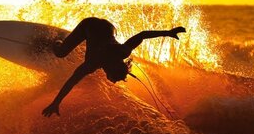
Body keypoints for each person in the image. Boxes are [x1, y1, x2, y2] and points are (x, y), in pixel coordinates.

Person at [42, 17, 186, 117]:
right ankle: (55, 42)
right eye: (108, 74)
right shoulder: (92, 63)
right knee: (61, 53)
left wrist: (168, 32)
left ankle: (76, 41)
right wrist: (56, 103)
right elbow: (71, 81)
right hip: (89, 24)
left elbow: (143, 35)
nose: (104, 74)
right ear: (110, 67)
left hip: (109, 27)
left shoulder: (123, 51)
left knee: (98, 40)